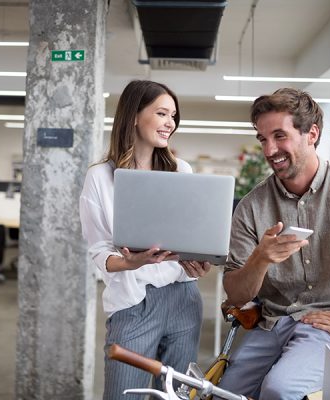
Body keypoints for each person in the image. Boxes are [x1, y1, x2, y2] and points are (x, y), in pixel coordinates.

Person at [218, 88, 330, 399]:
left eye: (279, 136)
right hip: (274, 323)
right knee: (223, 394)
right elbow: (235, 293)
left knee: (279, 389)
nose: (270, 149)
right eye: (262, 139)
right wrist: (260, 260)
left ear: (311, 134)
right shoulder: (251, 207)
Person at [79, 80, 211, 399]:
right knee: (125, 394)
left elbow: (188, 238)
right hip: (133, 301)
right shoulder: (100, 177)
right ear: (134, 116)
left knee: (178, 395)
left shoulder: (181, 170)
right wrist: (130, 262)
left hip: (183, 299)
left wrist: (197, 263)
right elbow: (99, 253)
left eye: (174, 116)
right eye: (162, 113)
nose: (170, 123)